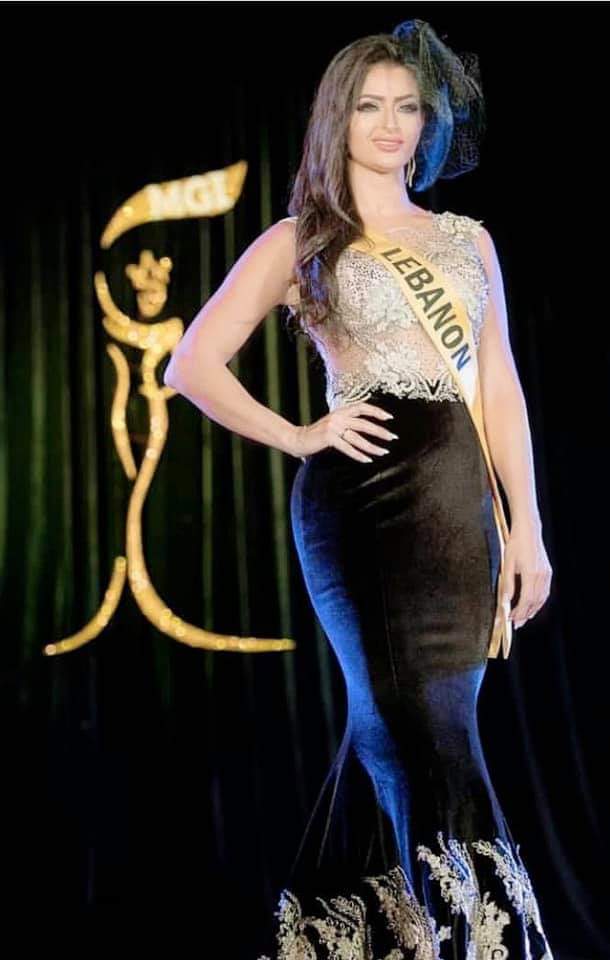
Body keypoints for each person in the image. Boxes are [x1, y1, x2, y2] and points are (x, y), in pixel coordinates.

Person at [164, 18, 554, 959]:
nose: (389, 124)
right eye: (370, 106)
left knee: (411, 723)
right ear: (337, 119)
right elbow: (191, 364)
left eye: (407, 107)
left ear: (428, 124)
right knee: (410, 722)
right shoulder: (304, 238)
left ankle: (348, 939)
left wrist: (530, 530)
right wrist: (300, 434)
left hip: (459, 509)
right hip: (360, 507)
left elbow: (500, 388)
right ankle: (478, 938)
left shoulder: (468, 242)